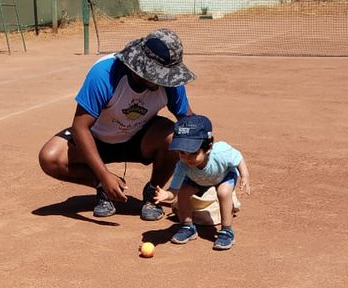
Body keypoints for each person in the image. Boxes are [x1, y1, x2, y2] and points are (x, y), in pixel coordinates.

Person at [38, 28, 195, 220]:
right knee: (50, 157)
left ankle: (153, 192)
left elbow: (188, 122)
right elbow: (80, 127)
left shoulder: (170, 82)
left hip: (140, 138)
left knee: (178, 137)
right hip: (96, 140)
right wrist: (104, 176)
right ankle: (101, 186)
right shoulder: (104, 73)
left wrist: (209, 170)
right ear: (141, 67)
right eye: (160, 75)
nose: (165, 80)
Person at [153, 114, 251, 251]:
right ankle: (188, 226)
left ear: (209, 145)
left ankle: (227, 231)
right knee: (183, 192)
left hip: (223, 175)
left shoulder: (221, 152)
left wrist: (245, 176)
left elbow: (238, 157)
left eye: (193, 153)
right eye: (182, 152)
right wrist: (166, 195)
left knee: (223, 192)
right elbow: (174, 191)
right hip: (197, 180)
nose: (187, 159)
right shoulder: (182, 165)